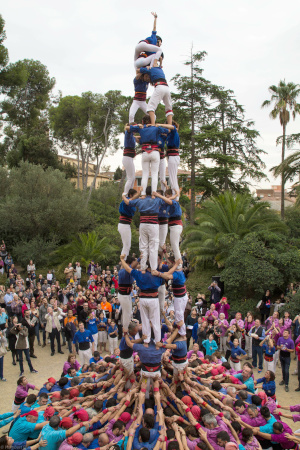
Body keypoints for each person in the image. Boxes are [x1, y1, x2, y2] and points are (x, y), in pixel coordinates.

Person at [122, 186, 174, 271]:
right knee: (153, 247)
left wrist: (123, 196)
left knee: (144, 246)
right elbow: (169, 200)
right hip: (153, 224)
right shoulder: (157, 200)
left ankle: (143, 267)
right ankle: (153, 268)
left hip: (143, 224)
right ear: (153, 192)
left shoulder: (140, 200)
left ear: (145, 193)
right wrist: (159, 195)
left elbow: (128, 202)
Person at [125, 118, 170, 195]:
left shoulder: (141, 128)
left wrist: (138, 125)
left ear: (142, 122)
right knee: (154, 174)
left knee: (145, 174)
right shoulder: (156, 128)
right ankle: (154, 193)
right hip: (155, 152)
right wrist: (159, 125)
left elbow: (127, 128)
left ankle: (143, 194)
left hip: (145, 152)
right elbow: (168, 131)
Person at [138, 59, 173, 126]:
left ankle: (153, 124)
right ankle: (170, 126)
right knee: (168, 107)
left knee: (150, 107)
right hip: (167, 88)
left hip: (159, 87)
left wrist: (145, 67)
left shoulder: (151, 69)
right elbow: (159, 62)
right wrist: (160, 61)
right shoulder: (160, 69)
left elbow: (138, 70)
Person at [118, 189, 137, 259]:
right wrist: (123, 196)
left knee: (127, 245)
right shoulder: (127, 201)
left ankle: (124, 261)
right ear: (131, 195)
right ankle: (123, 262)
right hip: (124, 224)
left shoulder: (126, 201)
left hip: (124, 224)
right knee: (126, 245)